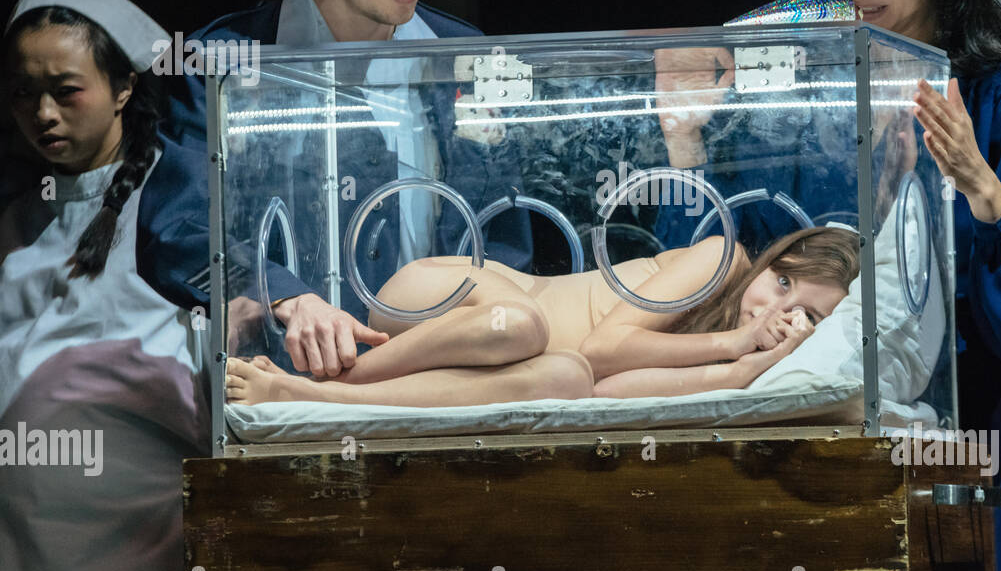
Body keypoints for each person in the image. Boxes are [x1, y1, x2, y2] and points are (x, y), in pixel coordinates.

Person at [653, 0, 1001, 571]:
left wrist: (982, 189)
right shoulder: (808, 96)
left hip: (969, 447)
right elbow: (714, 274)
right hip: (815, 445)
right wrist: (686, 142)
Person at [164, 0, 532, 375]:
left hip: (443, 377)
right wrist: (279, 294)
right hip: (282, 379)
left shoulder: (464, 56)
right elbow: (177, 229)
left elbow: (505, 237)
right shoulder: (224, 62)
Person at [0, 0, 317, 571]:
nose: (44, 114)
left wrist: (288, 302)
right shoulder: (15, 222)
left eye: (65, 91)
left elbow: (242, 300)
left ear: (122, 88)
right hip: (26, 556)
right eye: (24, 94)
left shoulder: (172, 202)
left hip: (136, 555)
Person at [225, 226, 859, 407]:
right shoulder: (723, 259)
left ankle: (307, 397)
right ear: (771, 258)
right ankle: (334, 383)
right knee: (525, 326)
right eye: (781, 281)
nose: (773, 307)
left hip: (498, 351)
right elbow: (611, 345)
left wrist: (753, 366)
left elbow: (605, 384)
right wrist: (738, 342)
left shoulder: (734, 351)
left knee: (565, 382)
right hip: (448, 300)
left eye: (801, 312)